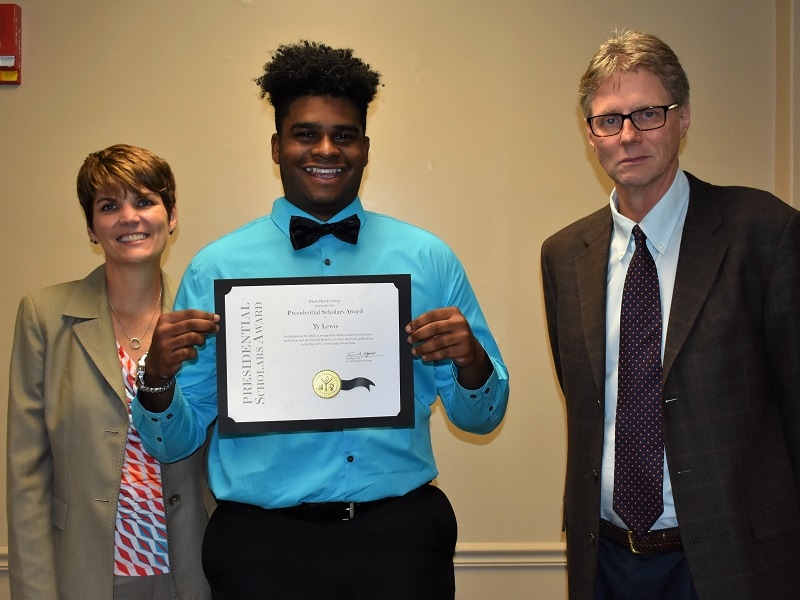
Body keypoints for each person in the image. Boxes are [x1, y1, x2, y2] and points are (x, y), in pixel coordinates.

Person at [131, 41, 509, 600]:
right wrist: (158, 379)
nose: (326, 149)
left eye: (344, 134)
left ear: (365, 146)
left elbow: (481, 418)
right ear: (277, 146)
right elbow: (174, 442)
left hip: (401, 543)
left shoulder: (428, 259)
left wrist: (472, 362)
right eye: (305, 133)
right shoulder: (216, 268)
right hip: (261, 549)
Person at [541, 30, 800, 600]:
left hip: (733, 559)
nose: (628, 135)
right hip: (603, 558)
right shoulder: (563, 256)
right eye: (609, 120)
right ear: (590, 134)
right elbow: (586, 399)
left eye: (648, 113)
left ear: (683, 119)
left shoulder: (764, 232)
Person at [7, 144, 213, 599]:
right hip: (84, 574)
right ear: (91, 227)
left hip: (193, 573)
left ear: (172, 216)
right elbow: (26, 474)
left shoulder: (206, 321)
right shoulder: (44, 315)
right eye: (108, 206)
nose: (128, 217)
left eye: (144, 201)